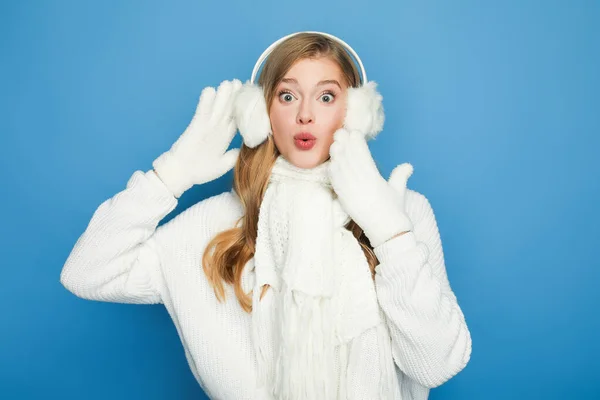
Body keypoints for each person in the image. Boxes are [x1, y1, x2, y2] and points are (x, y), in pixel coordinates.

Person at [60, 31, 472, 400]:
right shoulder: (212, 224)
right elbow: (87, 273)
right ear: (261, 114)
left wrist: (389, 230)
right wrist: (169, 176)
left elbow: (436, 365)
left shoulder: (403, 211)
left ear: (356, 113)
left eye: (327, 97)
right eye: (287, 96)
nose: (305, 115)